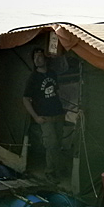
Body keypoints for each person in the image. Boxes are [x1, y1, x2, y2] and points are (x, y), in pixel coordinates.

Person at [23, 48, 65, 182]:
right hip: (44, 117)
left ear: (46, 59)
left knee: (58, 144)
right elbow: (25, 99)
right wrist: (35, 116)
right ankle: (50, 173)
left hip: (58, 114)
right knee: (51, 144)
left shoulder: (52, 74)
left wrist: (64, 110)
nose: (37, 60)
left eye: (40, 57)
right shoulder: (33, 78)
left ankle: (57, 170)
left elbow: (57, 92)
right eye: (35, 58)